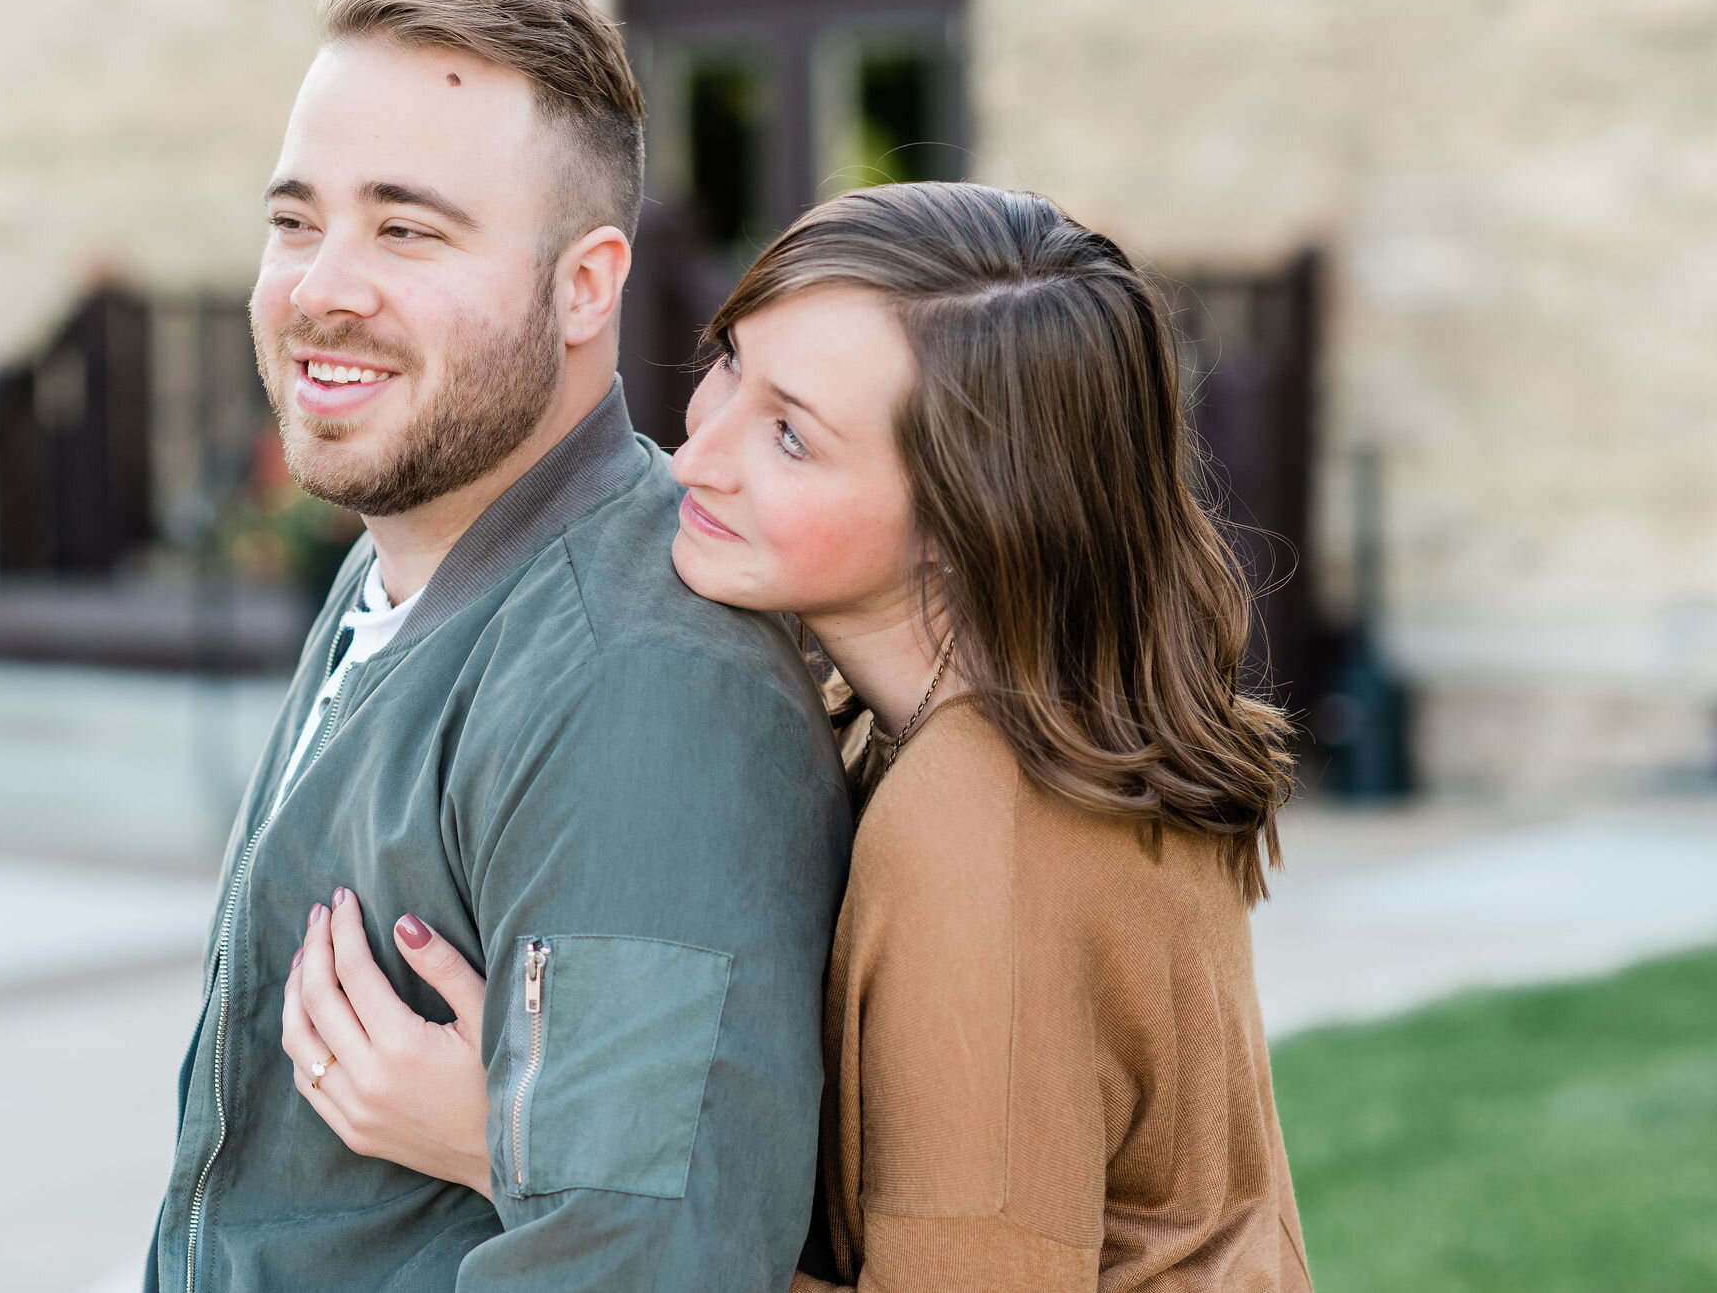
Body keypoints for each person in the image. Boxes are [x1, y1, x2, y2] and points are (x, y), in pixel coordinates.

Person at [290, 181, 1316, 1291]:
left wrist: (522, 1153)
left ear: (966, 512)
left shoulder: (985, 828)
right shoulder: (977, 732)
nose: (697, 453)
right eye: (728, 363)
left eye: (789, 436)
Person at [146, 0, 852, 1293]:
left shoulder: (643, 685)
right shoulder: (394, 559)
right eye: (297, 221)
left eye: (407, 229)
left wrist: (525, 1146)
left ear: (587, 285)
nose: (322, 286)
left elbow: (647, 1262)